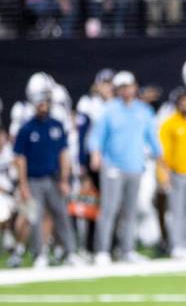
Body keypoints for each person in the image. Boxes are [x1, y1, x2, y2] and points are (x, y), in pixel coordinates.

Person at [87, 71, 162, 265]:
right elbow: (96, 137)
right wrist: (95, 154)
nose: (127, 90)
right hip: (113, 166)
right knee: (109, 209)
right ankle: (102, 251)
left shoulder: (143, 111)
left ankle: (127, 250)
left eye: (129, 86)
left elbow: (152, 138)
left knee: (130, 211)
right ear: (117, 90)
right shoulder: (109, 110)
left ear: (135, 87)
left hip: (135, 166)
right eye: (122, 87)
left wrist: (160, 156)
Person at [12, 84, 79, 268]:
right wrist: (23, 184)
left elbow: (63, 154)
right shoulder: (26, 129)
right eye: (39, 102)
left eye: (45, 102)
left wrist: (65, 179)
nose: (43, 105)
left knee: (62, 215)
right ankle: (39, 254)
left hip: (54, 178)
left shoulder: (56, 125)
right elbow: (20, 159)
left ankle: (70, 252)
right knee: (35, 217)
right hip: (34, 180)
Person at [158, 89, 186, 258]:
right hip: (176, 173)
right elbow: (163, 153)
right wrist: (163, 175)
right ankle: (176, 245)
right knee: (177, 211)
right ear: (176, 103)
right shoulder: (169, 124)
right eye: (183, 101)